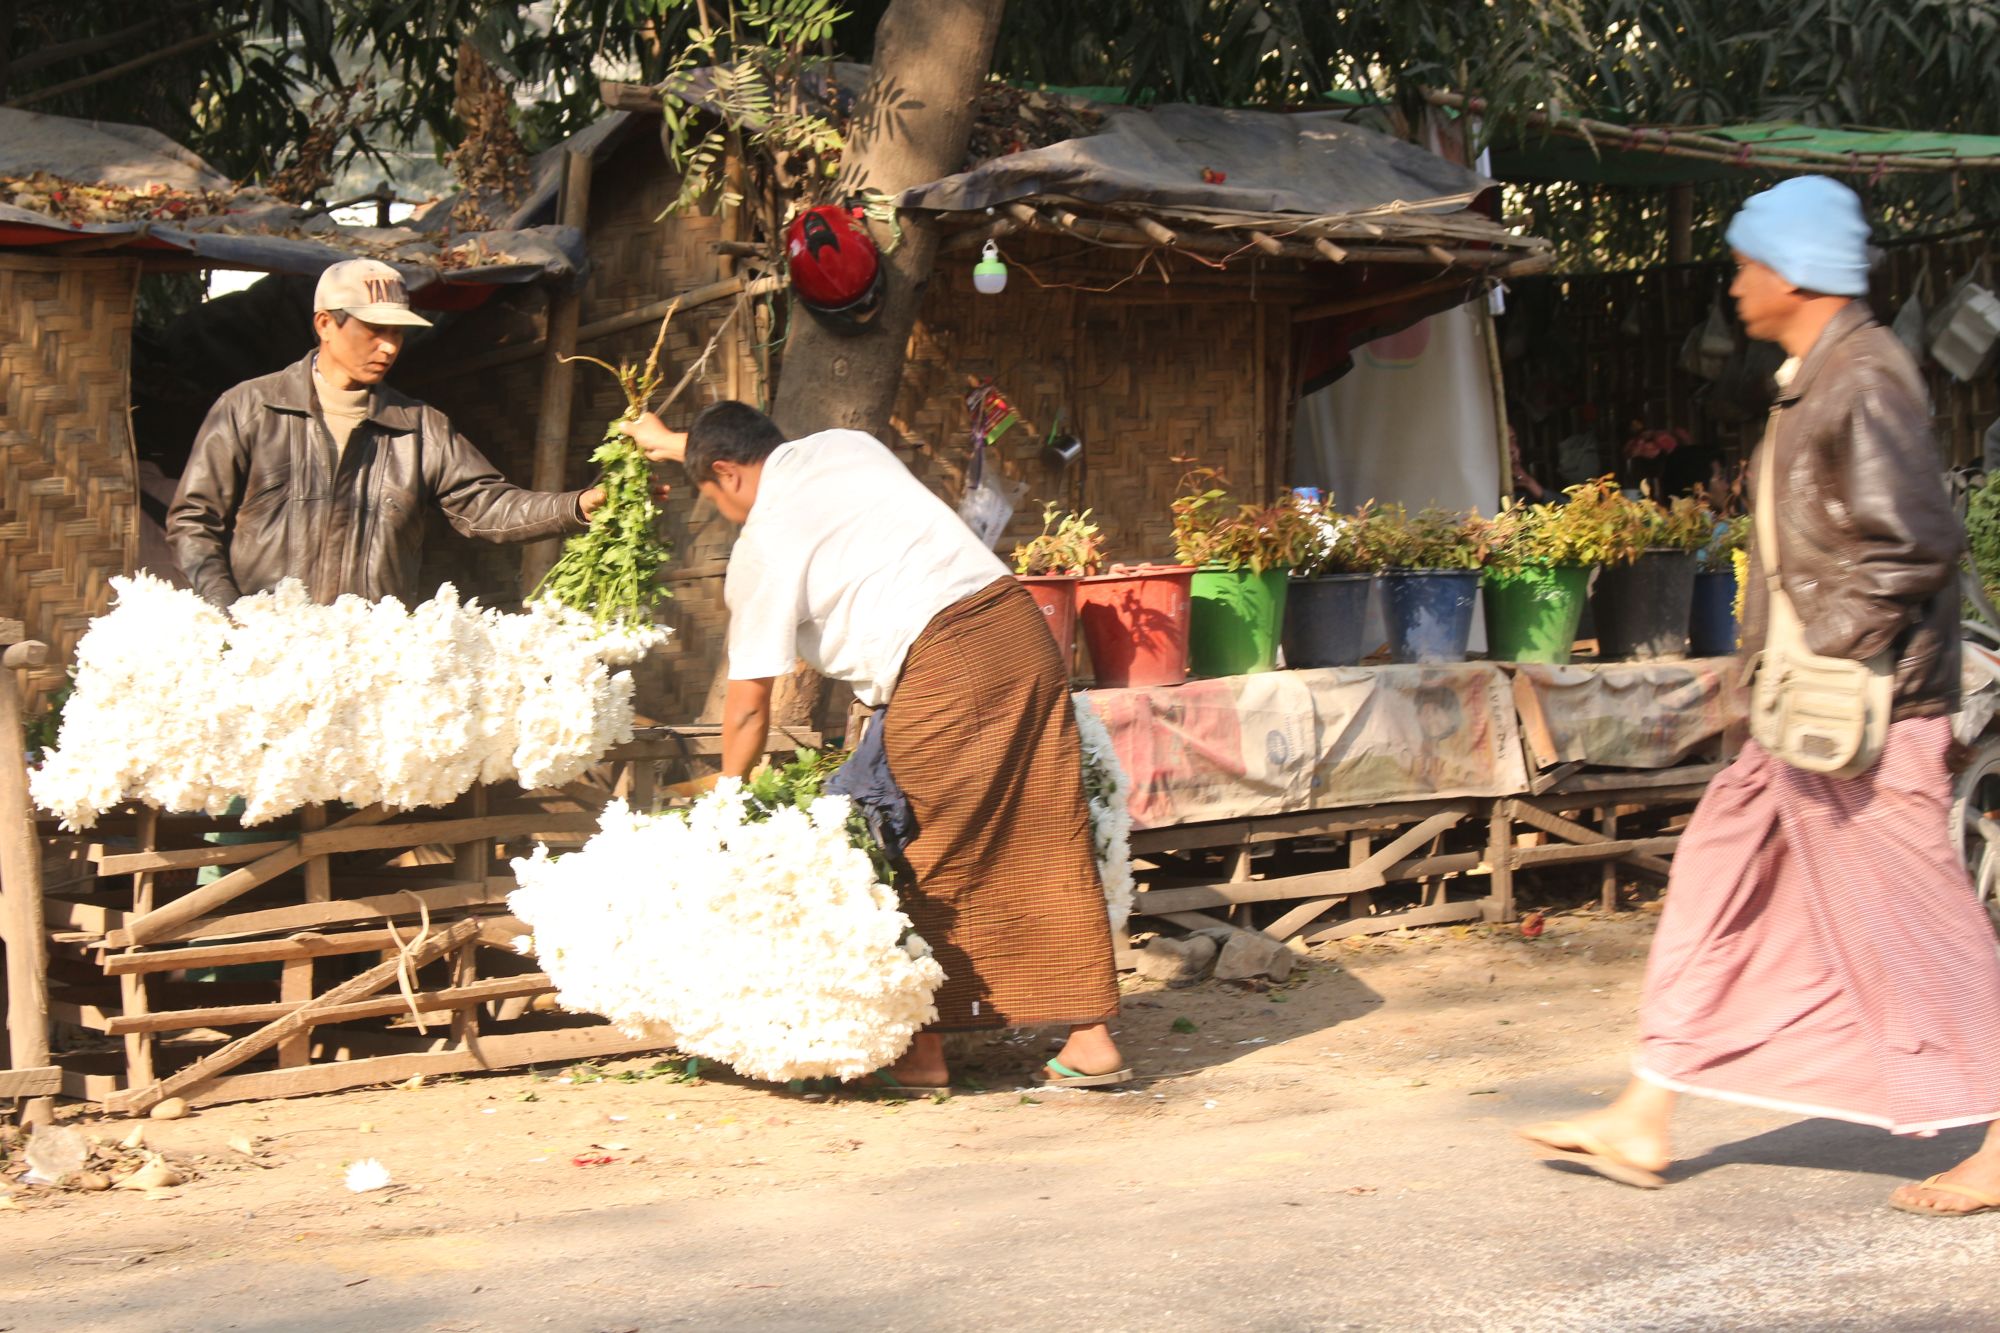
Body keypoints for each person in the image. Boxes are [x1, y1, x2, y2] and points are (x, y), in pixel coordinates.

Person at [1518, 176, 2000, 1215]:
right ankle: (1645, 1109)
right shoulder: (1811, 377)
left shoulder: (1862, 375)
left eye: (1746, 266)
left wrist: (1824, 660)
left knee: (1919, 918)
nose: (1734, 287)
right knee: (1719, 877)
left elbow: (1914, 544)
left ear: (1796, 272)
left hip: (1866, 715)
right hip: (1803, 714)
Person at [621, 401, 1128, 1092]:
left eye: (711, 494)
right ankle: (1091, 1039)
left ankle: (922, 1051)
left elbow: (749, 702)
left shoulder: (764, 545)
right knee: (1046, 827)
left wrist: (729, 794)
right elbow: (730, 449)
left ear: (726, 472)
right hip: (1019, 629)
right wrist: (663, 440)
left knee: (916, 842)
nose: (720, 510)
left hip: (949, 665)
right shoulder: (844, 446)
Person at [169, 258, 607, 607]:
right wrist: (228, 611)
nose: (389, 346)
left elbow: (486, 506)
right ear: (325, 324)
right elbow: (193, 522)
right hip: (265, 649)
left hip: (373, 659)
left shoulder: (419, 428)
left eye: (397, 333)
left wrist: (577, 506)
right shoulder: (250, 409)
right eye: (374, 330)